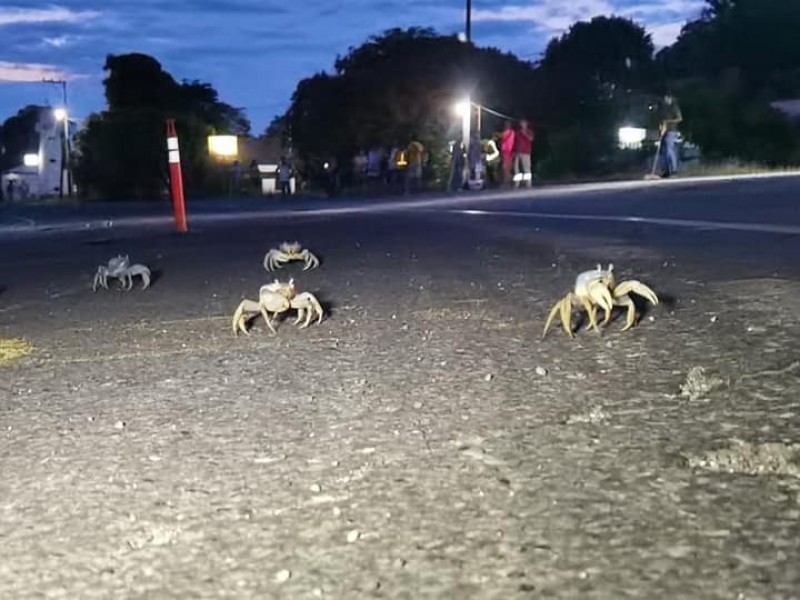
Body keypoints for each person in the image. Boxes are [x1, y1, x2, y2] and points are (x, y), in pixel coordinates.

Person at [655, 93, 683, 177]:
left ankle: (674, 169)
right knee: (664, 151)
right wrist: (661, 126)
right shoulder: (664, 108)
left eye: (666, 98)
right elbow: (662, 120)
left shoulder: (674, 107)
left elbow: (679, 119)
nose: (665, 100)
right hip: (664, 131)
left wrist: (667, 122)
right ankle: (666, 170)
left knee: (669, 149)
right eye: (664, 98)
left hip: (672, 131)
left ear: (670, 98)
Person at [513, 119, 534, 188]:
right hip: (518, 152)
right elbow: (515, 142)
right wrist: (514, 151)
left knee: (526, 168)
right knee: (516, 168)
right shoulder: (518, 132)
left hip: (526, 152)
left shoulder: (529, 131)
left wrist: (525, 134)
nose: (523, 125)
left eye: (524, 123)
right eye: (522, 123)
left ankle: (528, 183)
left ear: (526, 124)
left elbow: (531, 139)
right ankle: (517, 183)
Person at [500, 121, 516, 186]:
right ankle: (508, 181)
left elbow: (502, 141)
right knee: (507, 167)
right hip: (508, 151)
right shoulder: (512, 133)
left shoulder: (507, 133)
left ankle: (507, 181)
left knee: (506, 167)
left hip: (507, 151)